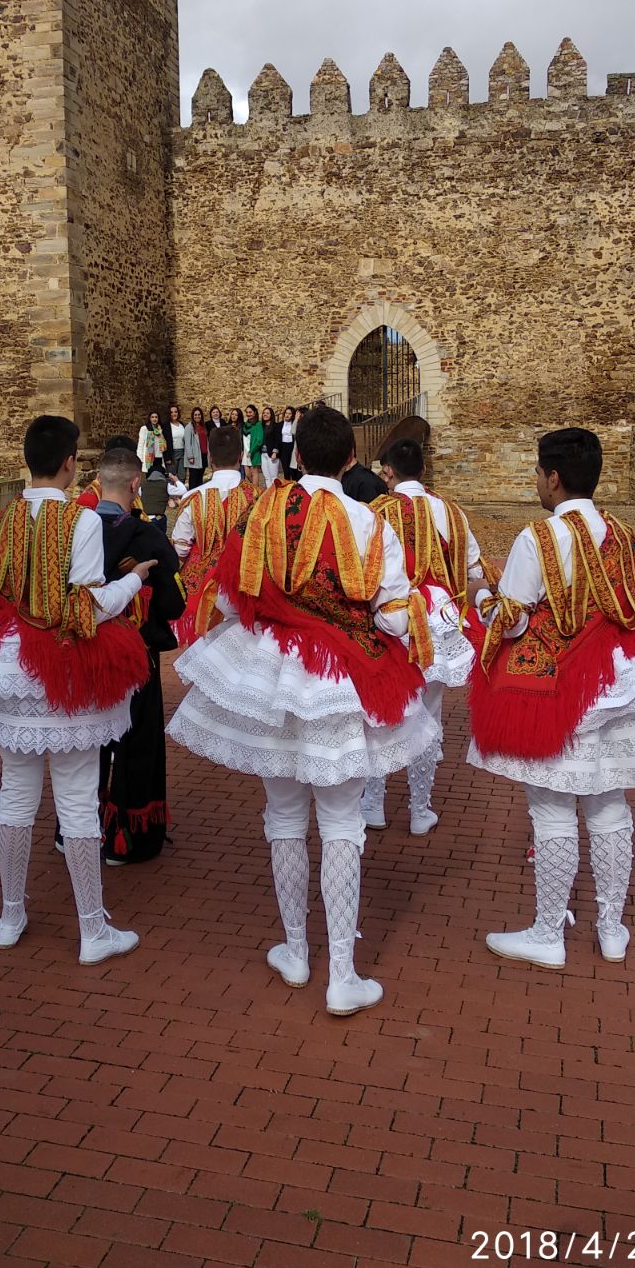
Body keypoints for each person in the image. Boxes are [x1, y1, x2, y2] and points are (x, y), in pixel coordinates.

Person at [168, 404, 439, 1017]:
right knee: (342, 818)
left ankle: (295, 949)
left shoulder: (265, 511)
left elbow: (235, 599)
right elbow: (391, 610)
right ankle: (341, 970)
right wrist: (424, 625)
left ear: (295, 456)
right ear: (349, 459)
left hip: (270, 671)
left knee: (283, 813)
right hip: (342, 675)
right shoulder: (368, 521)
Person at [465, 427, 635, 969]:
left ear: (554, 478)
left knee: (553, 806)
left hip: (554, 686)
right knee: (610, 803)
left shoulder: (537, 538)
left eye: (539, 473)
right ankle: (611, 927)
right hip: (615, 681)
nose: (537, 483)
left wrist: (481, 599)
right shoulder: (621, 534)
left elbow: (511, 623)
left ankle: (547, 932)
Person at [0, 415, 155, 955]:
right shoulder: (81, 524)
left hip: (9, 668)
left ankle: (10, 917)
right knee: (78, 799)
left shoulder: (1, 520)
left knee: (15, 794)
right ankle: (91, 928)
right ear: (69, 463)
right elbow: (86, 608)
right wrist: (134, 579)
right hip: (63, 669)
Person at [365, 437, 488, 834]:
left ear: (390, 473)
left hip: (394, 614)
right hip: (441, 617)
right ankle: (420, 809)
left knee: (383, 708)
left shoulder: (378, 511)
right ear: (422, 470)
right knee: (429, 713)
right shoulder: (452, 513)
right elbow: (474, 570)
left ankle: (373, 802)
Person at [95, 447, 186, 864]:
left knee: (87, 742)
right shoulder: (145, 535)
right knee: (137, 740)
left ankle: (76, 829)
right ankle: (130, 836)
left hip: (82, 650)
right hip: (134, 650)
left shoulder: (73, 529)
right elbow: (173, 602)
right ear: (136, 485)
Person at [170, 423, 258, 645]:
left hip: (201, 593)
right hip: (247, 591)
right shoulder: (260, 498)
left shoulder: (193, 497)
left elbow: (180, 548)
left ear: (209, 457)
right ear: (241, 456)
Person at [184, 406, 208, 488]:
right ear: (193, 416)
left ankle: (199, 495)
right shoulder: (189, 427)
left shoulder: (203, 426)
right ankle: (192, 495)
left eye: (199, 414)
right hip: (195, 456)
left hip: (203, 455)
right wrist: (190, 456)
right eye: (195, 415)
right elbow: (187, 443)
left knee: (200, 477)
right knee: (194, 477)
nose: (197, 416)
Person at [137, 411, 168, 475]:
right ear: (150, 418)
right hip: (149, 458)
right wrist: (140, 459)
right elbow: (140, 445)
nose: (154, 419)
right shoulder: (145, 429)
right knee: (150, 476)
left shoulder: (160, 429)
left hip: (159, 456)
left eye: (156, 417)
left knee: (159, 476)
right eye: (152, 417)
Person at [260, 405, 282, 487]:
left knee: (273, 477)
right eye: (264, 413)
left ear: (271, 415)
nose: (265, 414)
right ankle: (268, 494)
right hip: (263, 454)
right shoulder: (261, 426)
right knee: (266, 477)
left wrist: (275, 452)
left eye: (267, 413)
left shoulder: (276, 426)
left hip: (272, 454)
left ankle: (274, 495)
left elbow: (278, 439)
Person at [167, 404, 187, 479]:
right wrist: (167, 457)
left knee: (182, 475)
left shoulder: (182, 424)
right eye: (171, 412)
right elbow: (163, 442)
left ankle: (182, 490)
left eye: (175, 412)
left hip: (182, 453)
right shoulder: (166, 426)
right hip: (172, 454)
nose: (174, 414)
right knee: (172, 476)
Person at [279, 406, 298, 479]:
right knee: (286, 469)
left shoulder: (294, 424)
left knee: (293, 469)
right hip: (283, 447)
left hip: (292, 447)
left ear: (292, 415)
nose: (287, 415)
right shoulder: (280, 425)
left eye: (289, 414)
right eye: (286, 413)